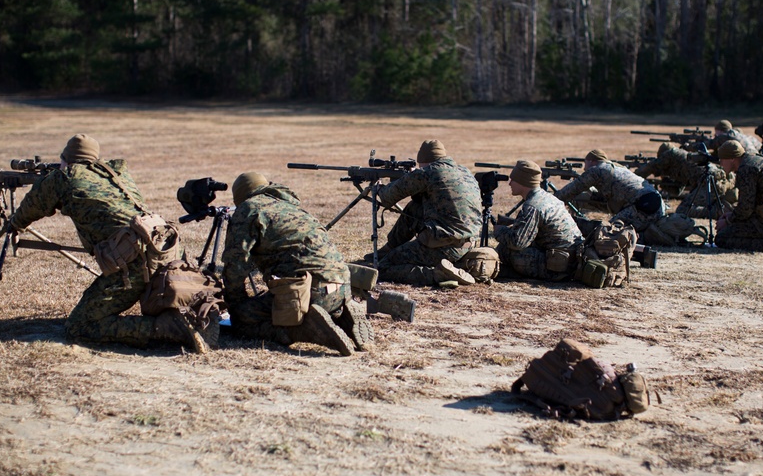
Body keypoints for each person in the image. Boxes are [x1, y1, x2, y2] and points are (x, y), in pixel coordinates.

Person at [9, 134, 213, 352]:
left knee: (80, 326)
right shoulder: (115, 173)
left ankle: (165, 328)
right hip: (166, 251)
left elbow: (30, 208)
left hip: (133, 261)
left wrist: (13, 224)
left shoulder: (63, 177)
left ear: (66, 159)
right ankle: (179, 314)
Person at [221, 172, 373, 356]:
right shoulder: (289, 206)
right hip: (343, 286)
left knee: (242, 319)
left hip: (307, 291)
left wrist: (236, 304)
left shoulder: (248, 208)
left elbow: (235, 265)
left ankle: (302, 330)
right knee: (319, 297)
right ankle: (342, 315)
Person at [375, 139, 482, 287]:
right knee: (415, 207)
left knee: (383, 267)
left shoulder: (427, 173)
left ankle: (437, 274)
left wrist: (378, 187)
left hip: (443, 247)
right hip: (469, 243)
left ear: (424, 161)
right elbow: (427, 199)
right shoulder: (464, 171)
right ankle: (390, 248)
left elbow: (387, 197)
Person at [494, 160, 584, 280]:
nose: (510, 183)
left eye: (513, 179)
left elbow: (518, 243)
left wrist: (499, 231)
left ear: (523, 182)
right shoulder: (549, 198)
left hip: (559, 267)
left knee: (506, 250)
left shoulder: (533, 206)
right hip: (572, 260)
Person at [555, 149, 665, 234]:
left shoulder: (597, 170)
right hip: (657, 207)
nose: (584, 169)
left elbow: (571, 190)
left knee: (607, 234)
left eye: (585, 163)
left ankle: (645, 236)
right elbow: (606, 198)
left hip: (643, 207)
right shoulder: (616, 168)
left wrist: (550, 200)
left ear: (591, 161)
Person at [636, 142, 733, 218]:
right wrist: (664, 181)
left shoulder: (671, 153)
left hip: (708, 181)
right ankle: (722, 206)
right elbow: (677, 191)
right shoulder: (681, 163)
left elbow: (650, 167)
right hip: (716, 181)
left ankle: (718, 212)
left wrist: (633, 175)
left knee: (683, 210)